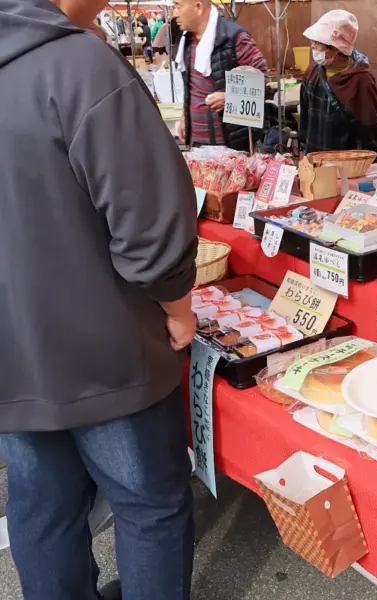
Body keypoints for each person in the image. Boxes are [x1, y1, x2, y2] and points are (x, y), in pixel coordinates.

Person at [0, 1, 198, 600]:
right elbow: (152, 226)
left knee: (40, 508)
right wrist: (178, 307)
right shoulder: (81, 65)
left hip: (12, 357)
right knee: (149, 508)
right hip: (108, 353)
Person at [299, 9, 377, 162]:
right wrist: (303, 151)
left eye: (318, 42)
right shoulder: (312, 72)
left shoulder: (361, 81)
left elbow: (371, 132)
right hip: (313, 163)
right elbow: (305, 117)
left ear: (336, 49)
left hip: (346, 168)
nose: (312, 46)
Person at [174, 0, 268, 150]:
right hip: (196, 142)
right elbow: (190, 86)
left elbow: (262, 79)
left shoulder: (234, 37)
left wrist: (230, 97)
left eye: (178, 6)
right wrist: (184, 116)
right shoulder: (186, 40)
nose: (174, 13)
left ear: (198, 7)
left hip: (230, 144)